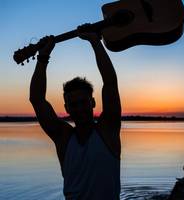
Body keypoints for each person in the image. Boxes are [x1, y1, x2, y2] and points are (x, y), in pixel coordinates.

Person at [29, 24, 121, 200]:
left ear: (92, 102)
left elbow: (110, 83)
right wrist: (43, 57)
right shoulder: (63, 137)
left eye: (83, 102)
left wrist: (95, 42)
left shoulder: (107, 130)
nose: (79, 108)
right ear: (67, 108)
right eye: (74, 104)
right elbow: (37, 100)